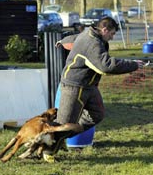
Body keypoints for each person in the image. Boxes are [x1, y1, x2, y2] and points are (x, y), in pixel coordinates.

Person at [43, 16, 145, 162]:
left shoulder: (91, 34)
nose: (112, 37)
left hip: (89, 86)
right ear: (104, 30)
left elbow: (75, 38)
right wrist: (133, 65)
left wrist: (63, 41)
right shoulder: (92, 43)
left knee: (97, 114)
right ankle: (47, 150)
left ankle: (62, 137)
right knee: (63, 125)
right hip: (74, 86)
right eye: (112, 33)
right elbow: (105, 66)